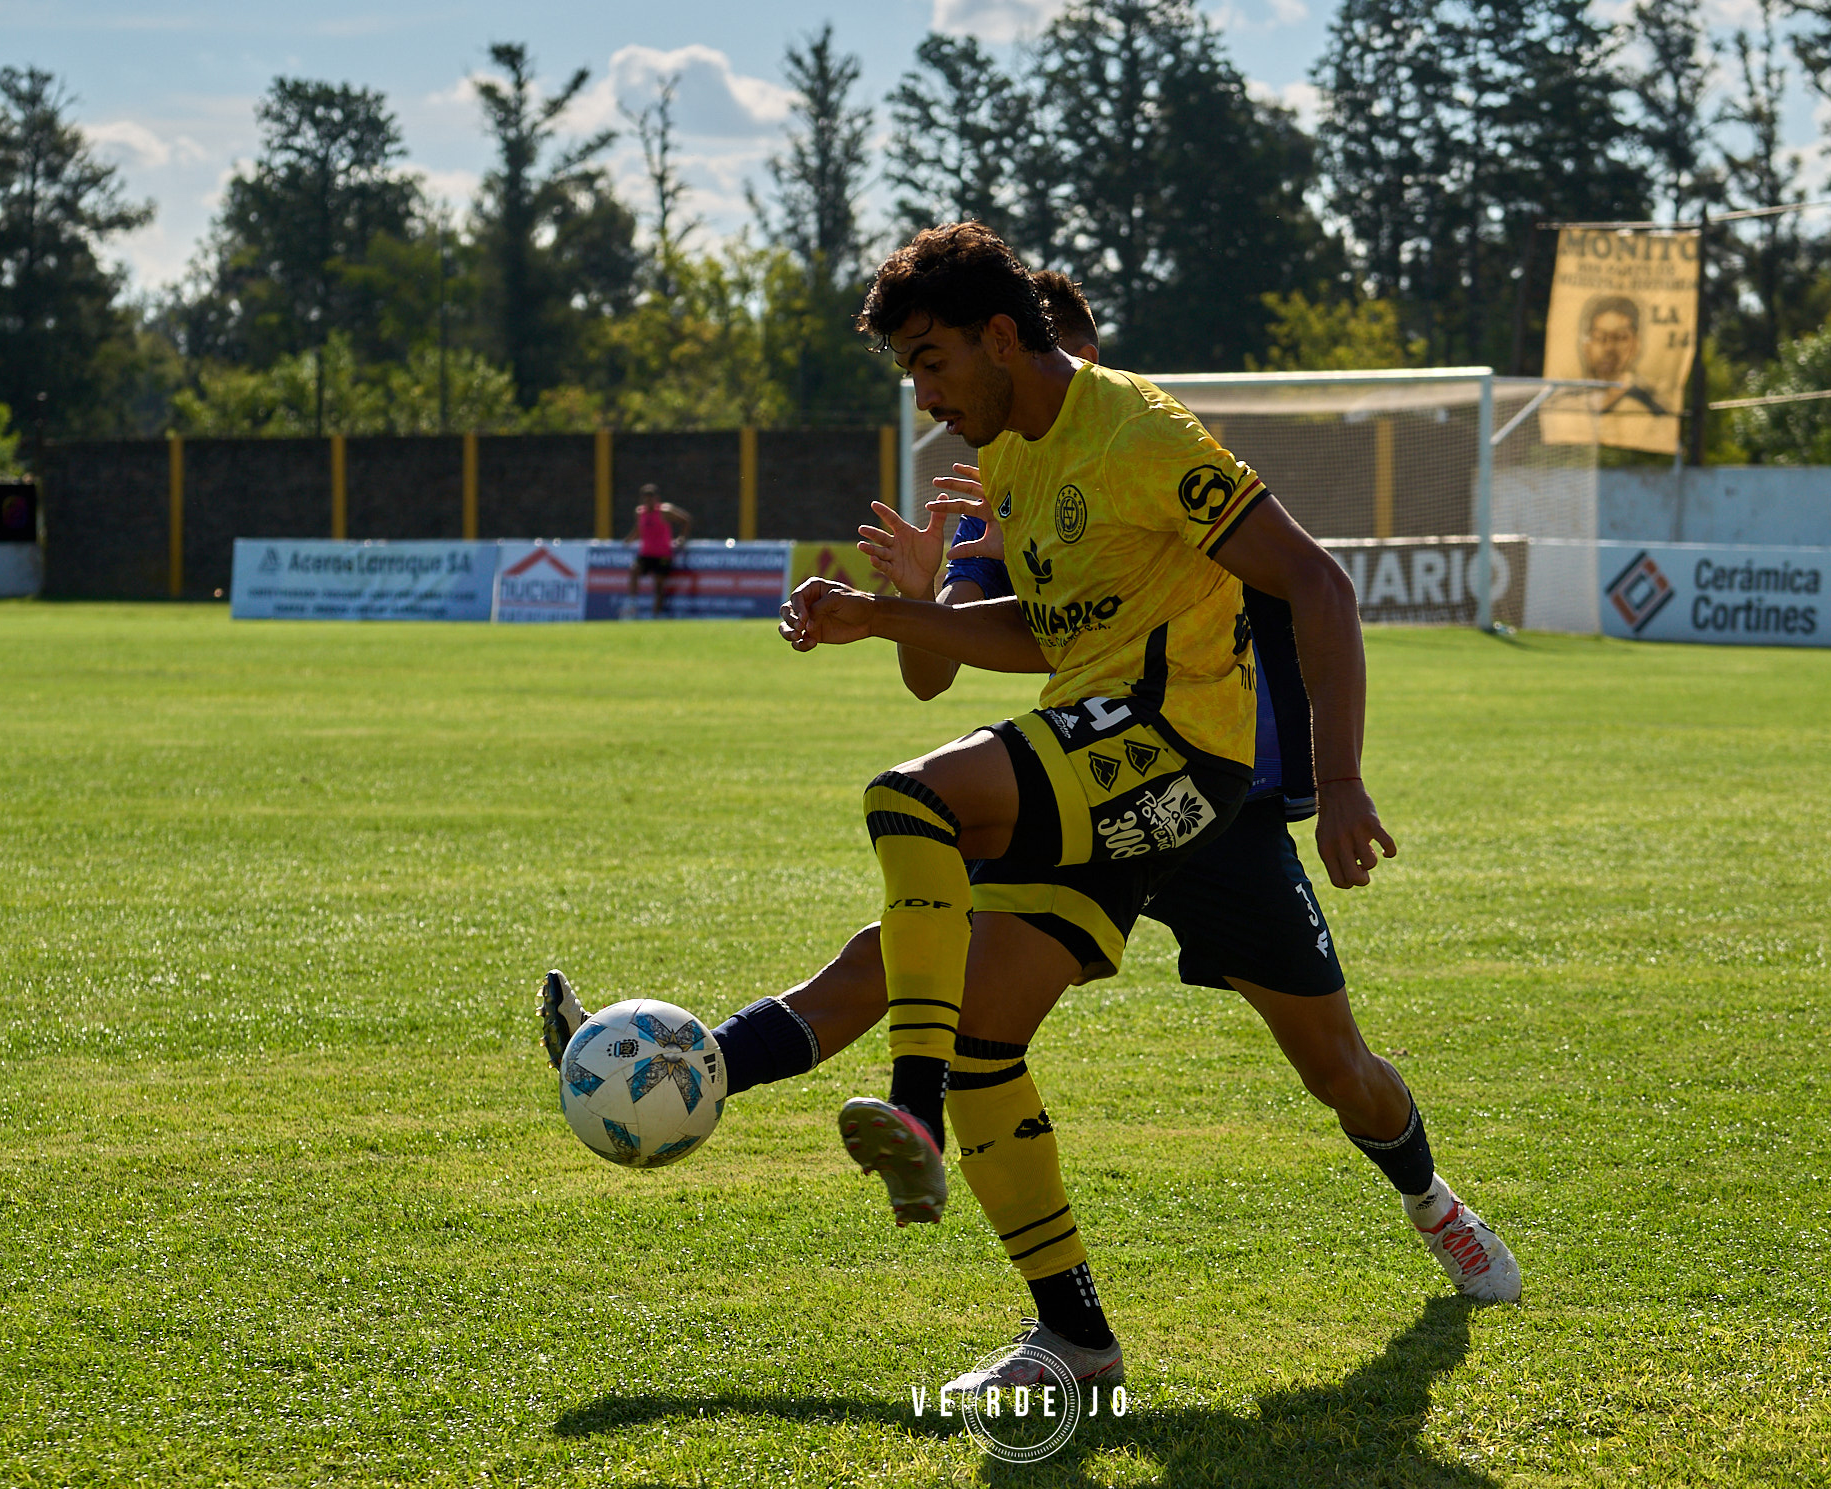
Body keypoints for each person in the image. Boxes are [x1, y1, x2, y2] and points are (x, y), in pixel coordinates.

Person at [542, 227, 1516, 1395]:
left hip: (1195, 782)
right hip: (1093, 771)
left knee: (1336, 1067)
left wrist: (1341, 782)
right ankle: (1068, 1335)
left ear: (1005, 340)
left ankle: (1428, 1199)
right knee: (956, 1009)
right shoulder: (1007, 458)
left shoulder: (1141, 434)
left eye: (930, 364)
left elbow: (1315, 580)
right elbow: (1034, 638)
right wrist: (891, 611)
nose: (925, 399)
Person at [1577, 296, 1669, 416]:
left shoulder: (1652, 409)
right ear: (1586, 345)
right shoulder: (1563, 402)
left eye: (1620, 337)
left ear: (1636, 345)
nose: (1609, 348)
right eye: (1600, 338)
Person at [626, 485, 692, 617]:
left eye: (651, 499)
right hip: (646, 554)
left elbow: (686, 520)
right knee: (634, 570)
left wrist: (681, 538)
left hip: (662, 555)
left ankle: (655, 615)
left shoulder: (665, 511)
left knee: (659, 583)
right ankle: (632, 604)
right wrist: (629, 540)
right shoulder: (640, 512)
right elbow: (639, 529)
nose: (648, 502)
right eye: (646, 499)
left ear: (656, 499)